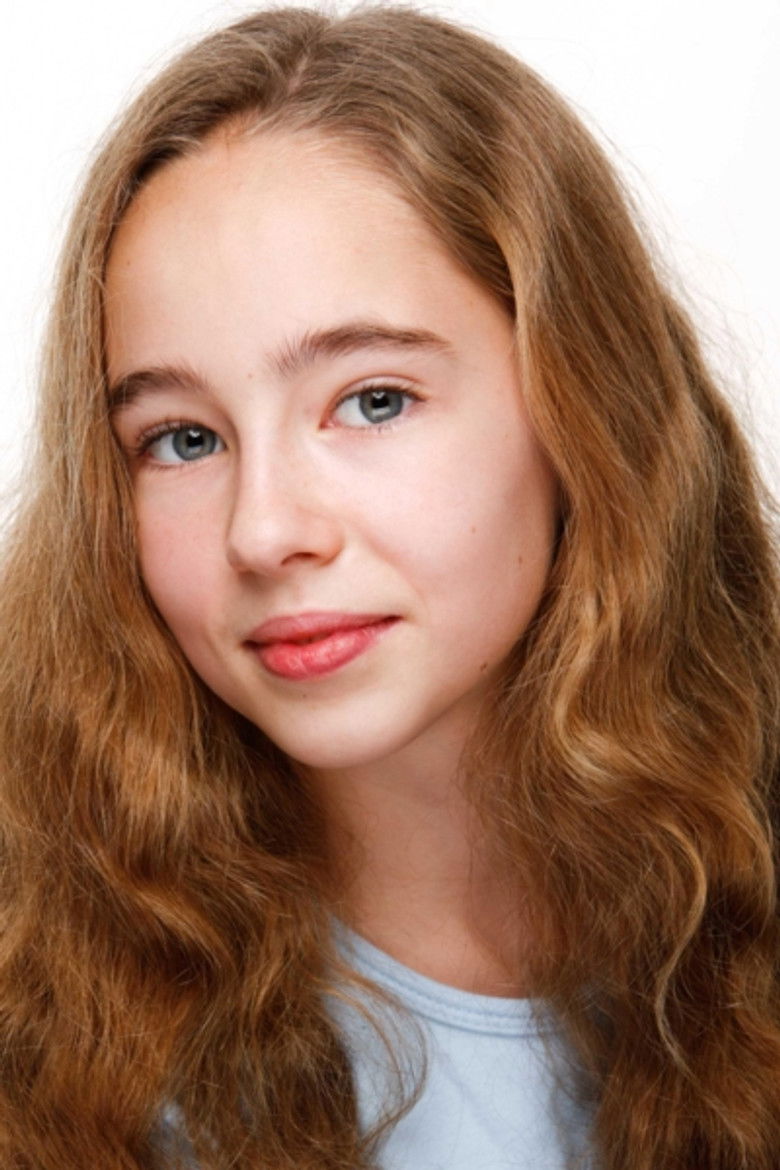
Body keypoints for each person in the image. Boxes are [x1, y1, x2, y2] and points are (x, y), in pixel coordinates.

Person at [1, 6, 778, 1168]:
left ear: (583, 408)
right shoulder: (51, 1032)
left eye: (373, 402)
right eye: (182, 439)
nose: (265, 531)